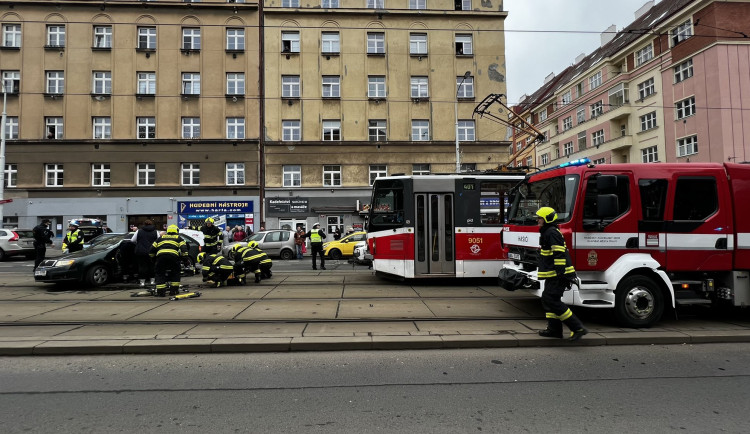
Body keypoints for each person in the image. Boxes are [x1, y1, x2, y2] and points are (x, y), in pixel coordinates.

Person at [535, 207, 587, 341]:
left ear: (547, 219)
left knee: (552, 300)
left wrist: (559, 272)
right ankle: (554, 330)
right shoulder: (548, 231)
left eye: (540, 218)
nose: (538, 220)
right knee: (548, 299)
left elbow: (558, 253)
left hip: (559, 274)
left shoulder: (551, 232)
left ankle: (577, 328)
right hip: (553, 274)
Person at [150, 224, 187, 297]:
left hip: (161, 257)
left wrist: (153, 259)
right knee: (175, 273)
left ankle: (161, 292)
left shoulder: (160, 238)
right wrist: (184, 259)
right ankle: (174, 291)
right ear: (176, 231)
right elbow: (184, 250)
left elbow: (151, 250)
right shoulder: (179, 238)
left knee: (160, 273)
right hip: (173, 257)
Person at [131, 219, 158, 287]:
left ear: (144, 224)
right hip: (152, 251)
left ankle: (142, 282)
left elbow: (132, 240)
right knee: (152, 266)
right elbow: (158, 240)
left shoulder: (139, 231)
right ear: (151, 224)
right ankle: (152, 281)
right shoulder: (155, 232)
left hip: (141, 252)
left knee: (142, 266)